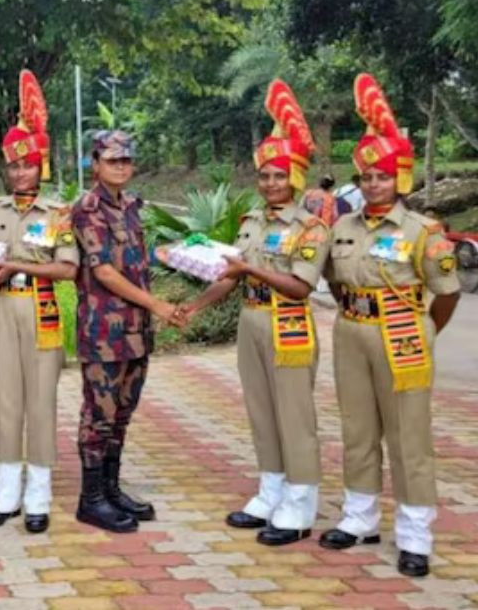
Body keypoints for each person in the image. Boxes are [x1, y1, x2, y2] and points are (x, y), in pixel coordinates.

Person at [318, 74, 461, 578]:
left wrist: (423, 331)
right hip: (351, 332)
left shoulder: (422, 231)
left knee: (407, 436)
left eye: (383, 176)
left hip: (403, 338)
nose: (374, 184)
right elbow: (335, 281)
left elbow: (447, 295)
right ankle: (359, 518)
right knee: (357, 429)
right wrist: (359, 310)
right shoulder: (342, 227)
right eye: (367, 177)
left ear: (399, 179)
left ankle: (416, 533)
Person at [181, 80, 329, 546]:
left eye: (279, 176)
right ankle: (271, 491)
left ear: (296, 179)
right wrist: (193, 306)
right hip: (251, 321)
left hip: (288, 325)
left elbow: (301, 286)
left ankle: (301, 503)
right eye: (264, 176)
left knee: (294, 414)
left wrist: (250, 269)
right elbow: (230, 276)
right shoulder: (252, 223)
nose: (270, 184)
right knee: (261, 411)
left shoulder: (310, 228)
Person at [0, 71, 78, 534]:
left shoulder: (59, 214)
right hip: (3, 308)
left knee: (40, 400)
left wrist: (19, 266)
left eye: (28, 164)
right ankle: (6, 488)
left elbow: (68, 269)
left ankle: (39, 490)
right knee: (6, 398)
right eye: (13, 165)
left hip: (41, 307)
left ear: (40, 166)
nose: (20, 171)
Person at [71, 130, 183, 533]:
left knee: (122, 414)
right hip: (104, 330)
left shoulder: (132, 206)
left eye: (126, 160)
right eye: (111, 159)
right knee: (98, 415)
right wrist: (158, 305)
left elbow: (134, 257)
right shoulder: (87, 208)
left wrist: (177, 255)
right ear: (95, 163)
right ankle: (91, 499)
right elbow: (102, 271)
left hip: (137, 331)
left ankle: (112, 489)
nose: (120, 166)